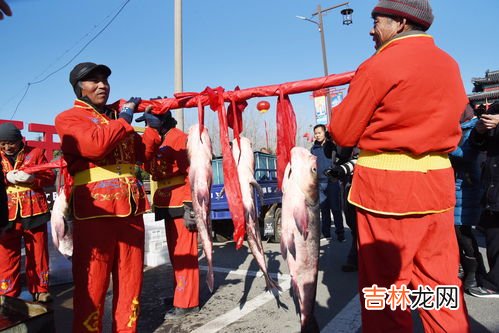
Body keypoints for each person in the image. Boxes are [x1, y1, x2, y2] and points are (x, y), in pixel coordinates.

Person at [329, 0, 471, 331]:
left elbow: (343, 132)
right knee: (439, 287)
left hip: (386, 192)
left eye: (376, 21)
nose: (371, 29)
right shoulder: (449, 64)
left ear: (400, 24)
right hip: (437, 187)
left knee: (386, 291)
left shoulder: (379, 64)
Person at [54, 62, 161, 332]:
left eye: (105, 80)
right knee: (93, 284)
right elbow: (95, 146)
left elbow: (141, 157)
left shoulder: (114, 120)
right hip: (96, 212)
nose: (102, 85)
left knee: (131, 280)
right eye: (94, 81)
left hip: (131, 210)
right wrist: (124, 119)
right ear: (79, 88)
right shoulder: (68, 118)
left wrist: (153, 130)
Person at [141, 110, 200, 319]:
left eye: (151, 122)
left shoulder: (178, 138)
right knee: (176, 255)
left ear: (163, 120)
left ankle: (187, 302)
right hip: (166, 201)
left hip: (180, 200)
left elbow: (193, 173)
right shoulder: (160, 139)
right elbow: (145, 163)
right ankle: (180, 293)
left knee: (185, 254)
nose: (149, 126)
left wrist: (190, 206)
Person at [0, 123, 54, 302]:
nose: (7, 147)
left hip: (35, 211)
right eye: (3, 143)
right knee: (7, 255)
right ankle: (7, 293)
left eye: (11, 143)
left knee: (38, 253)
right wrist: (5, 178)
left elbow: (49, 176)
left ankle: (41, 290)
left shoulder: (36, 152)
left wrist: (33, 179)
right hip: (6, 213)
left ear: (20, 140)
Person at [450, 106, 485, 292]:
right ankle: (468, 270)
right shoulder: (457, 128)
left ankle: (475, 273)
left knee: (462, 232)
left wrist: (443, 144)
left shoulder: (473, 129)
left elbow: (467, 155)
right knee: (455, 232)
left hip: (466, 187)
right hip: (453, 186)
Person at [468, 101, 499, 298]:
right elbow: (477, 145)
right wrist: (479, 131)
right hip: (492, 186)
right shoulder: (495, 108)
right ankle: (493, 282)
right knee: (492, 235)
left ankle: (494, 284)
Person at [310, 124, 344, 241]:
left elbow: (341, 155)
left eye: (319, 132)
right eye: (316, 133)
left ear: (325, 132)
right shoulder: (313, 149)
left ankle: (340, 233)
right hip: (319, 183)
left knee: (335, 208)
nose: (317, 135)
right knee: (324, 209)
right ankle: (326, 233)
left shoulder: (332, 145)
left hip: (332, 181)